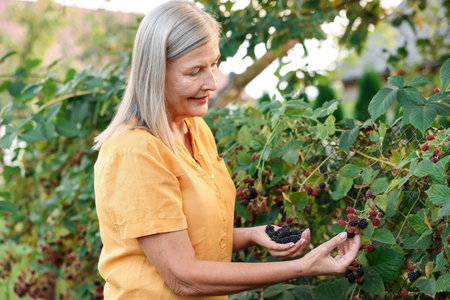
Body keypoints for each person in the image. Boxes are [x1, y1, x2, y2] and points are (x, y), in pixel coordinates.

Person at [93, 1, 360, 299]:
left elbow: (187, 235)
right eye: (194, 71)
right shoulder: (134, 152)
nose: (212, 82)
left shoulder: (195, 129)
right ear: (155, 72)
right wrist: (303, 267)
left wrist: (252, 235)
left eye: (214, 63)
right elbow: (184, 278)